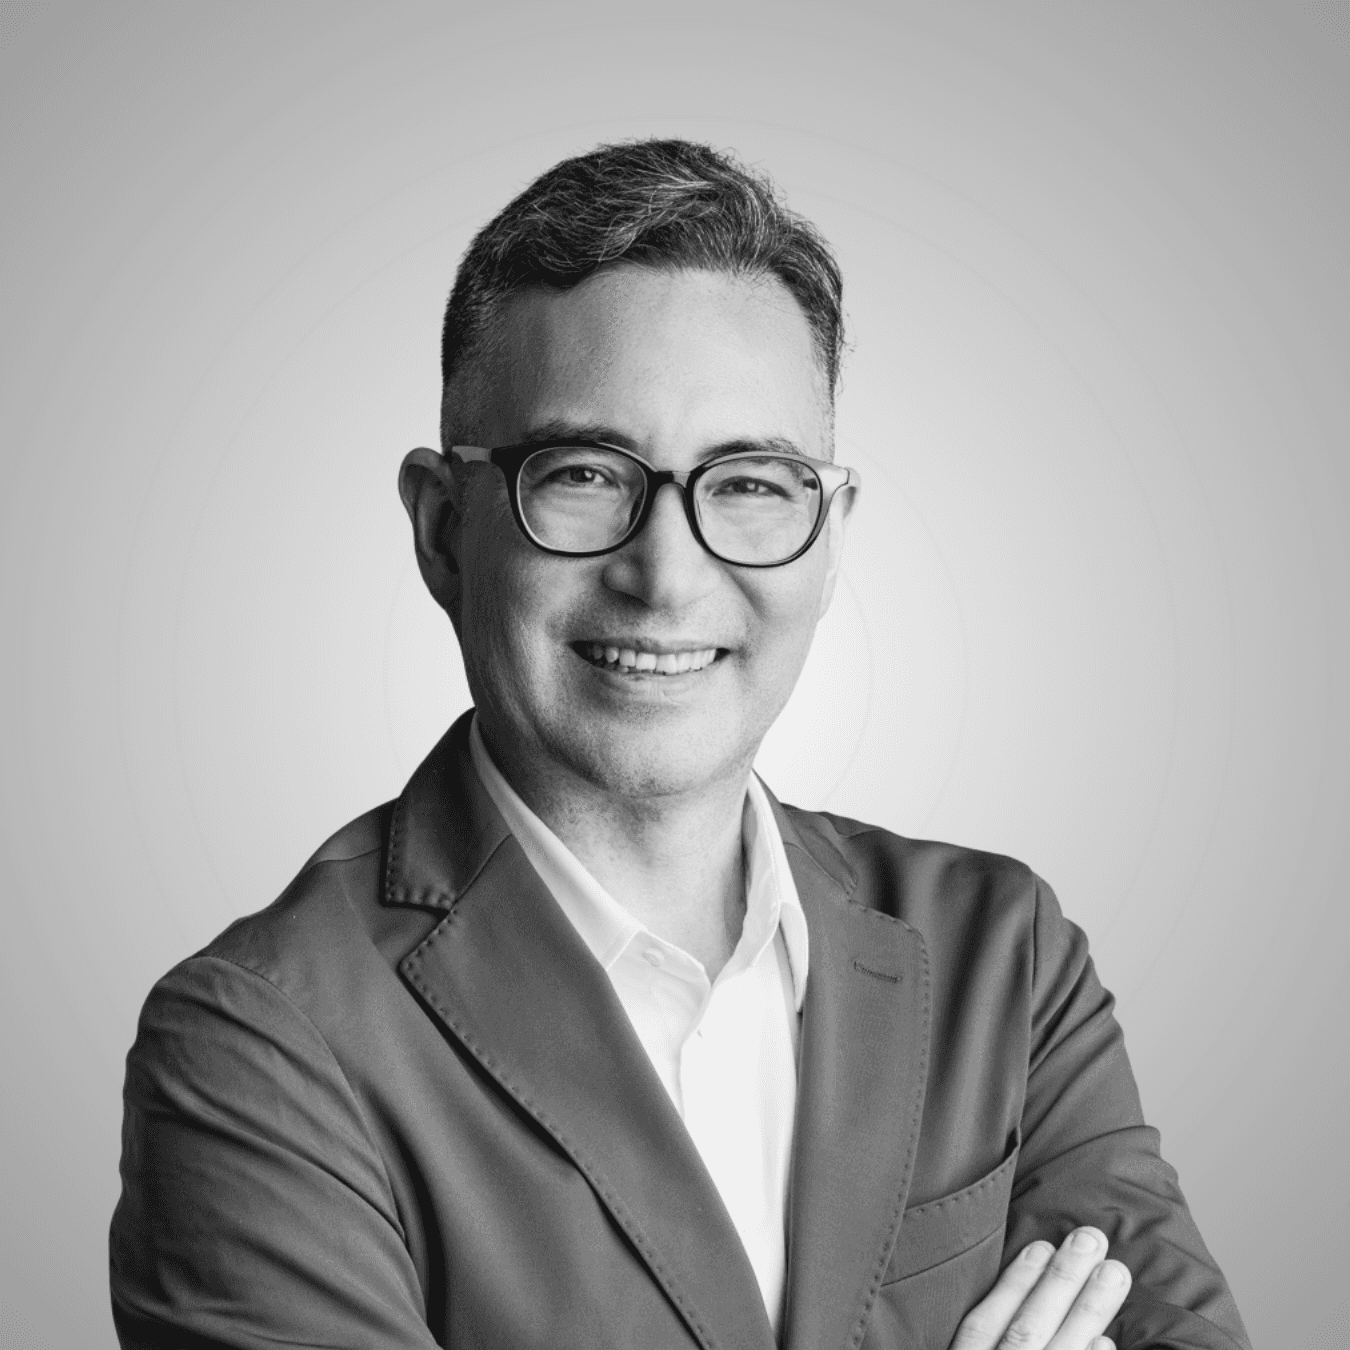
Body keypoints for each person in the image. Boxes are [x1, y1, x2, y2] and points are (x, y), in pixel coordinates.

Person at [108, 139, 1250, 1350]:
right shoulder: (261, 1043)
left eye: (750, 483)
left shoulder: (1002, 957)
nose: (665, 575)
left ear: (829, 535)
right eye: (585, 474)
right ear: (444, 531)